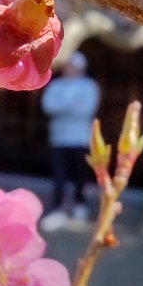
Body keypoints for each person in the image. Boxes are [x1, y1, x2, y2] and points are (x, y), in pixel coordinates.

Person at [40, 52, 100, 231]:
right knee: (59, 175)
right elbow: (48, 106)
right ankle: (57, 208)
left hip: (80, 138)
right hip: (59, 137)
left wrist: (63, 105)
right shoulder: (56, 85)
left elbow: (86, 110)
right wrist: (72, 104)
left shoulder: (89, 86)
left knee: (80, 175)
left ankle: (79, 205)